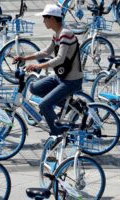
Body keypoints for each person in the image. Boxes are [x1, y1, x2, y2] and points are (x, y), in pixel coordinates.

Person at [13, 4, 83, 136]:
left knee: (44, 105)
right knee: (34, 88)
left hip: (71, 80)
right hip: (60, 76)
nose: (43, 21)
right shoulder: (57, 34)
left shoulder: (65, 34)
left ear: (52, 18)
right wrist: (25, 58)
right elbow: (45, 52)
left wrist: (38, 66)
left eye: (45, 18)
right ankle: (68, 105)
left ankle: (57, 133)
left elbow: (60, 59)